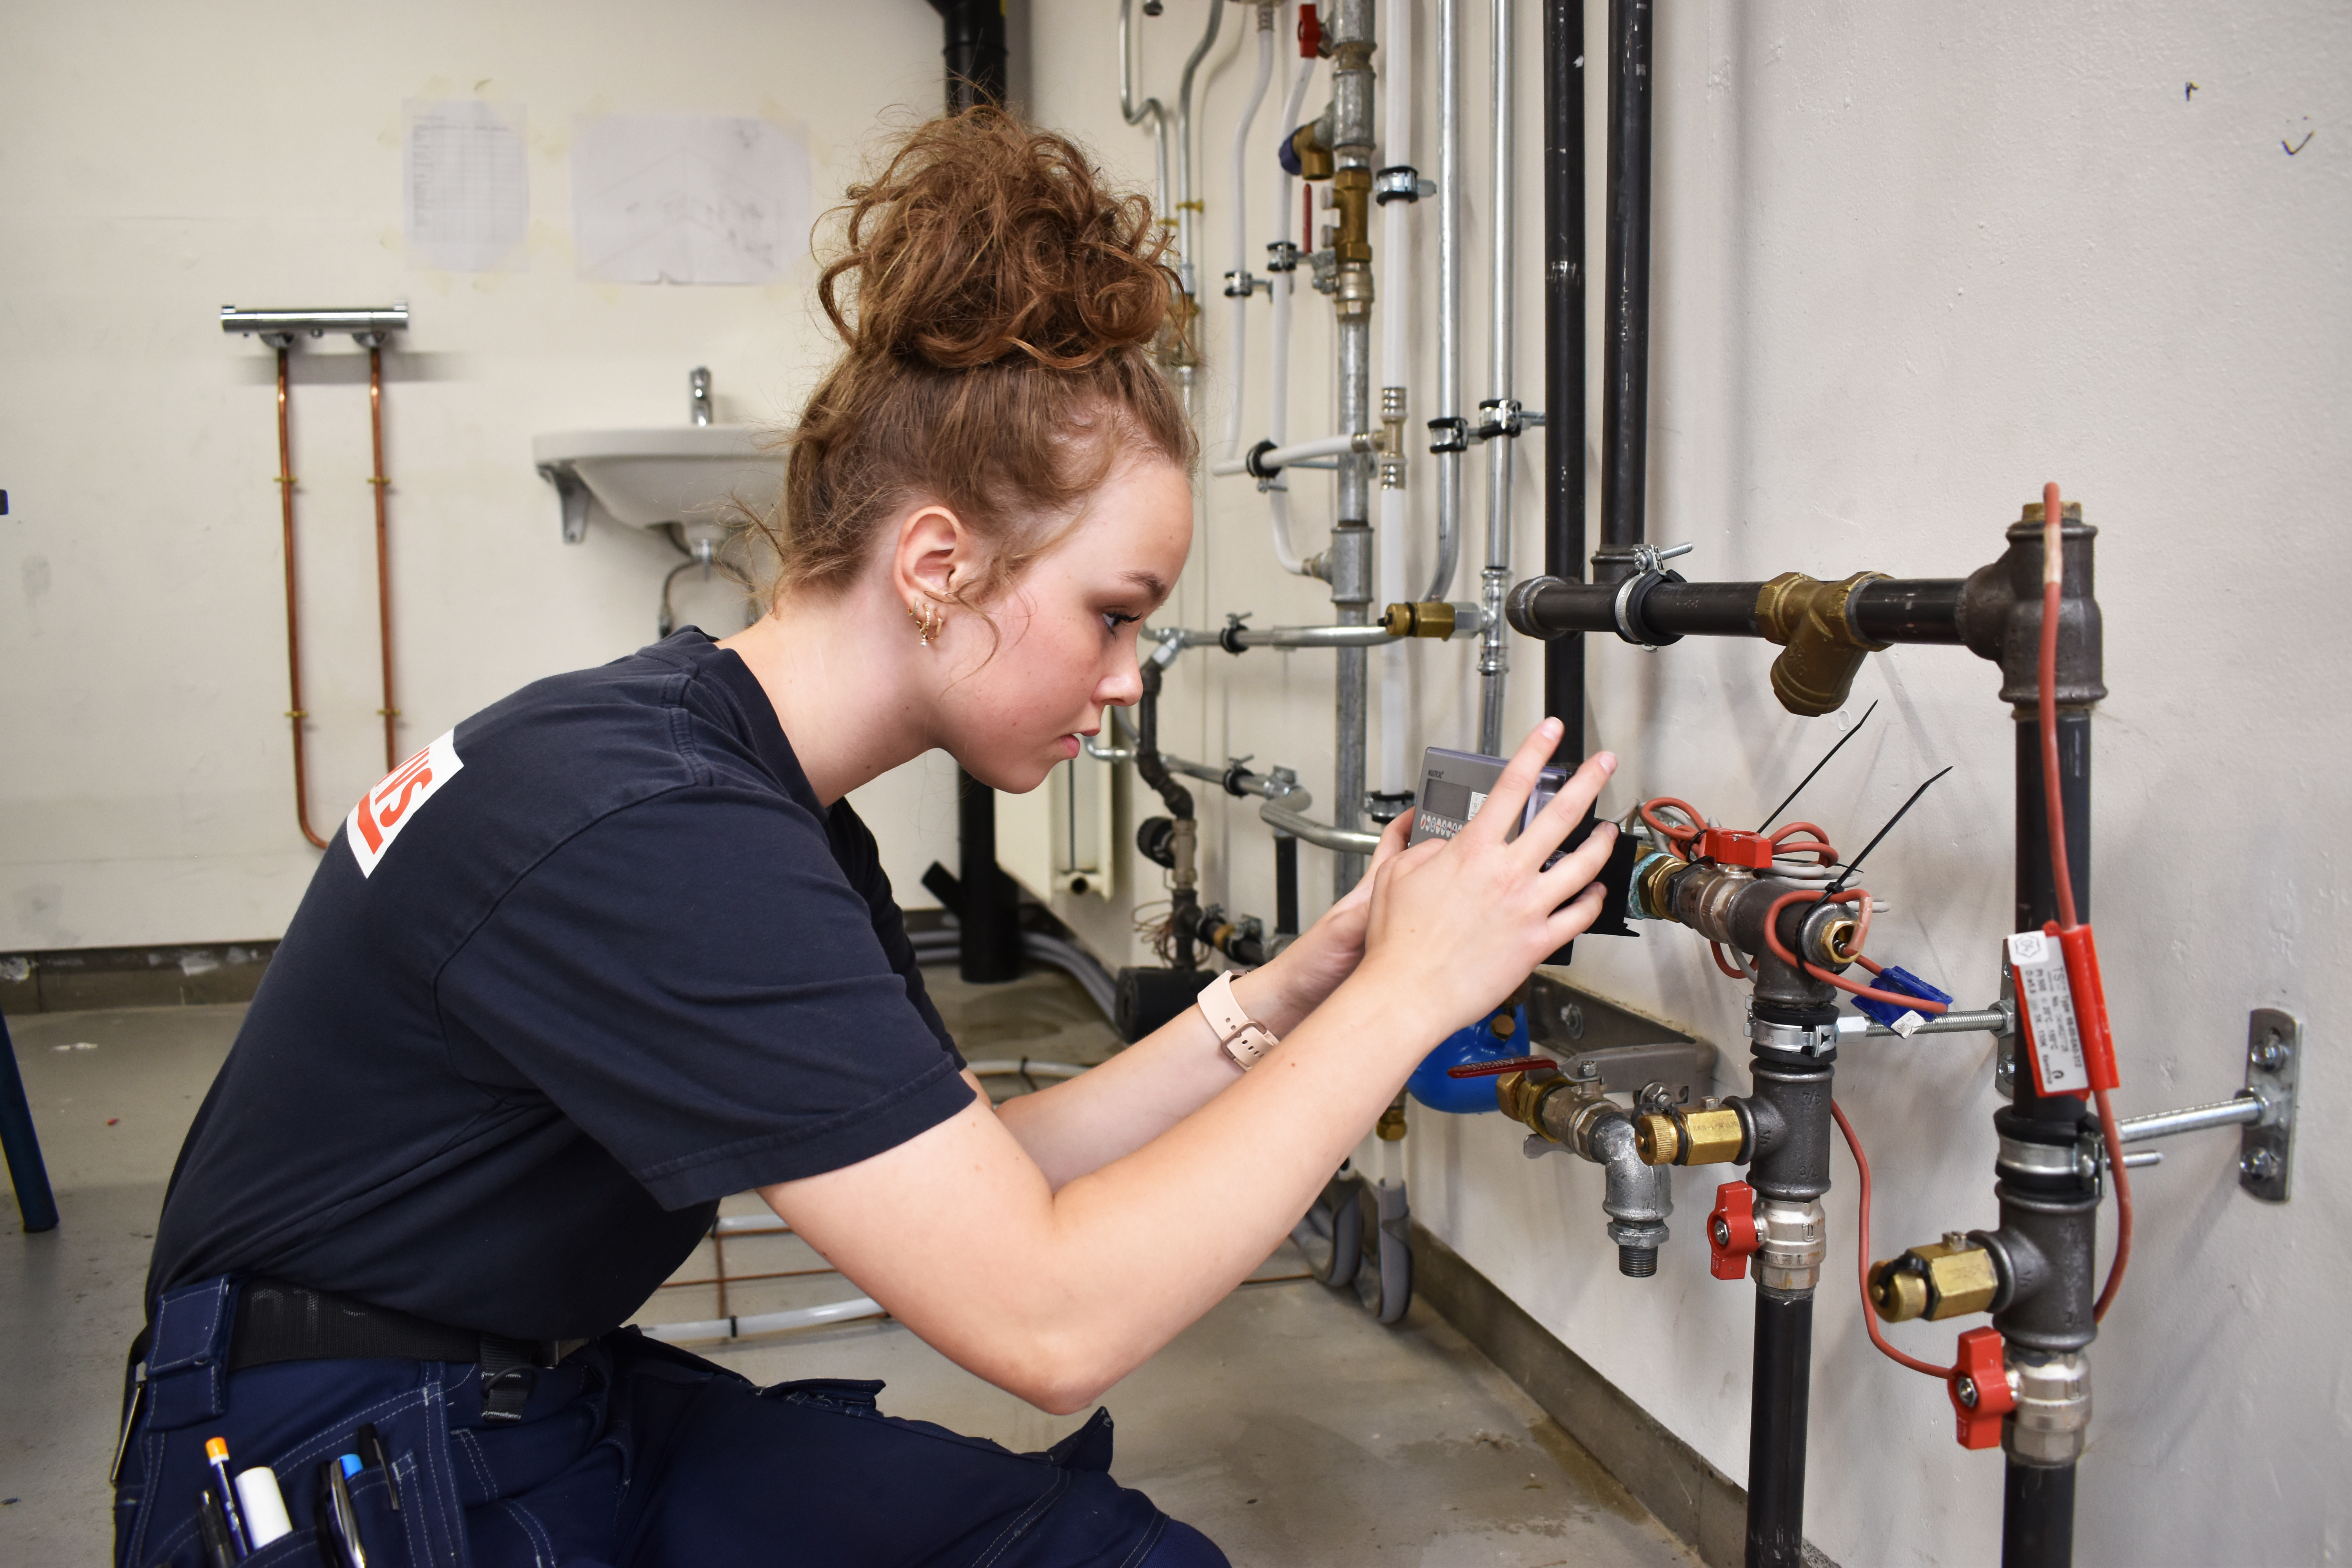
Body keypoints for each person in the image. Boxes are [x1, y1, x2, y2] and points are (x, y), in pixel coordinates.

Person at [115, 109, 1620, 1568]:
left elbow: (970, 1175)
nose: (1128, 678)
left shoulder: (740, 790)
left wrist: (1288, 997)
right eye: (1116, 612)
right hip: (331, 1466)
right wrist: (1416, 997)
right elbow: (1048, 1321)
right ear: (939, 565)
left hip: (520, 1397)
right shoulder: (662, 831)